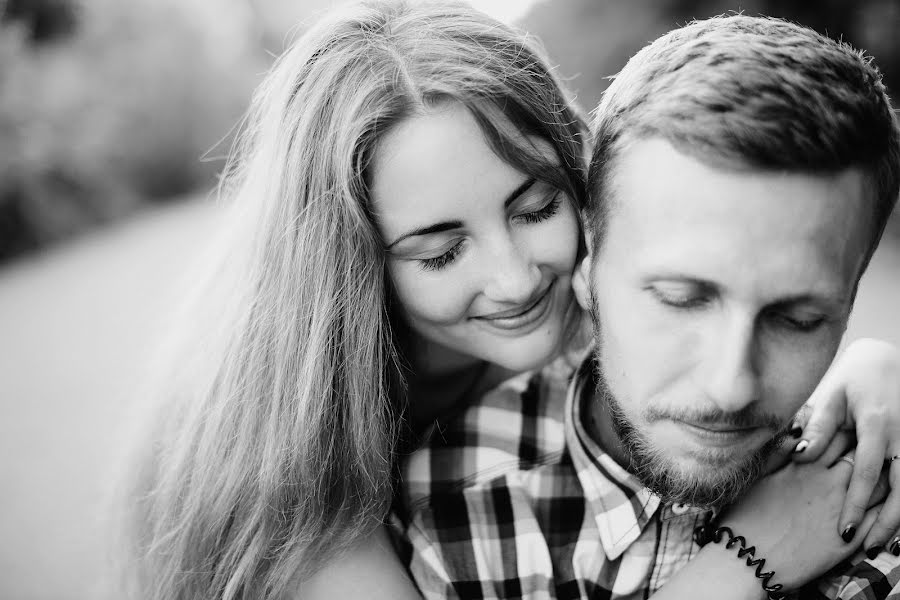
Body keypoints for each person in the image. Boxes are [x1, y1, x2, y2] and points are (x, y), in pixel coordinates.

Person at [116, 3, 900, 599]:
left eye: (533, 210)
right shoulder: (304, 476)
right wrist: (744, 561)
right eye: (441, 251)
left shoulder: (597, 302)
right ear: (352, 270)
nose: (519, 278)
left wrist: (869, 364)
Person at [399, 13, 900, 600]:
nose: (730, 387)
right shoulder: (450, 512)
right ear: (587, 259)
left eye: (798, 320)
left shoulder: (875, 505)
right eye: (680, 300)